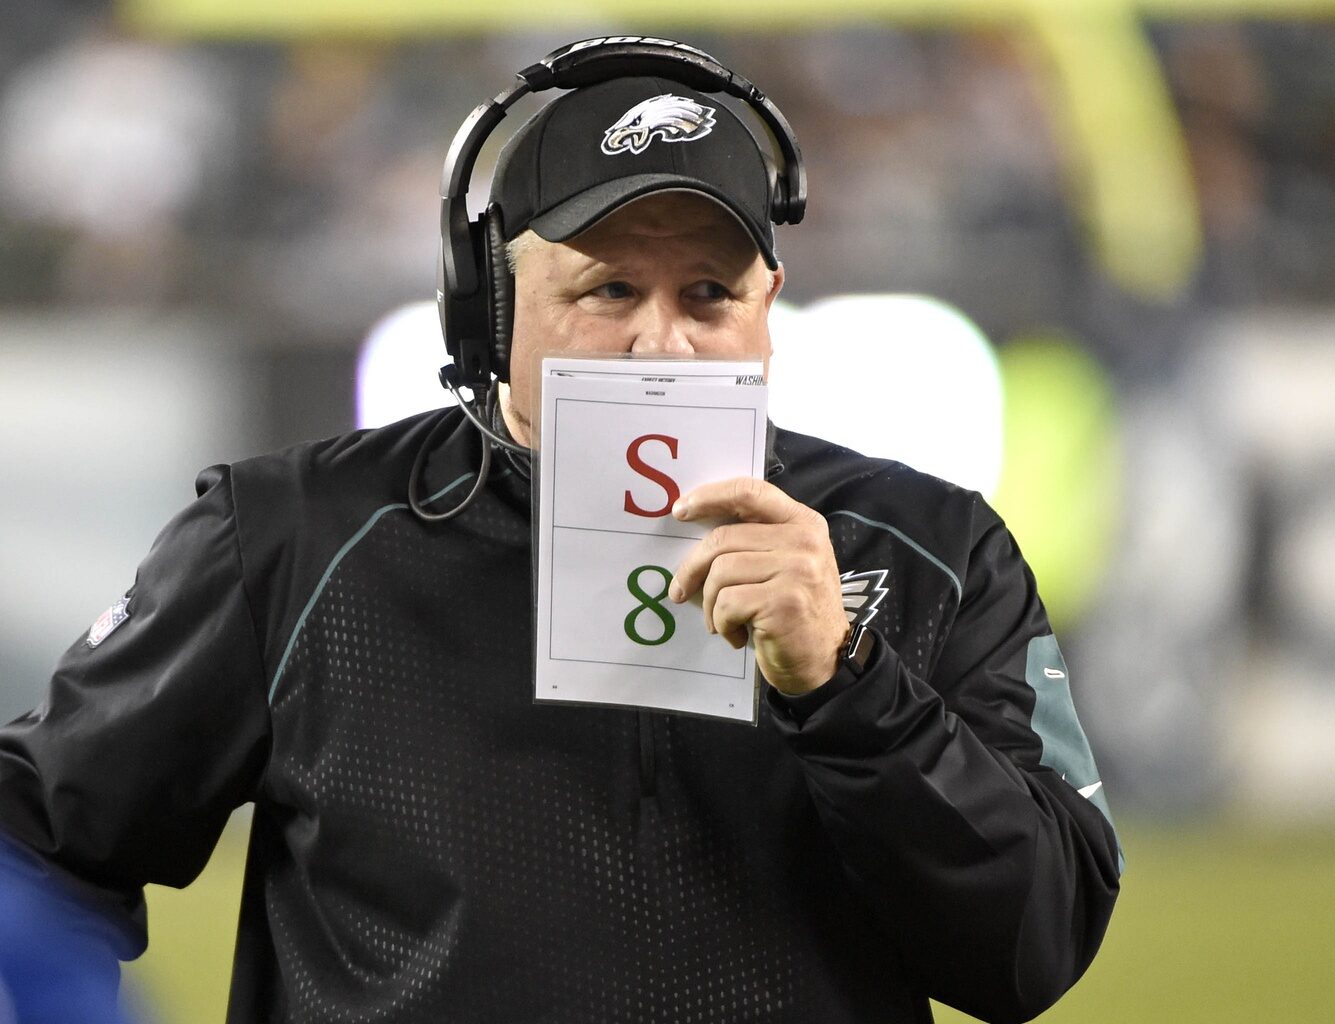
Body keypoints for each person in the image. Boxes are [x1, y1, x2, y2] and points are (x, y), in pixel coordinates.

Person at [0, 38, 1120, 1024]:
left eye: (707, 295)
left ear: (769, 309)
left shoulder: (929, 548)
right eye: (609, 290)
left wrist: (848, 687)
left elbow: (1034, 946)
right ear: (489, 306)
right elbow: (38, 835)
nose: (660, 346)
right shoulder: (292, 536)